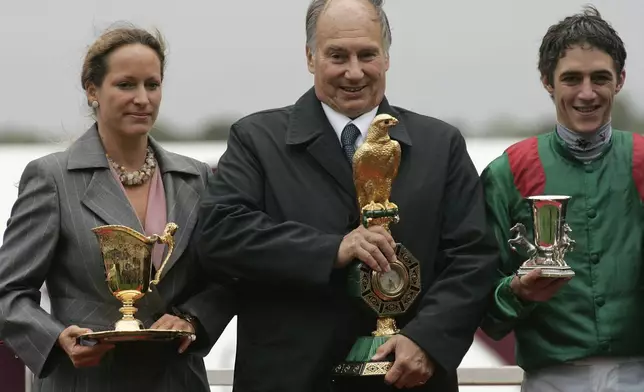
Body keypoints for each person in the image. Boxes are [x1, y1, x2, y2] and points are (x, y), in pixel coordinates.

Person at [196, 0, 498, 390]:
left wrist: (428, 340)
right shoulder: (256, 140)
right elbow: (220, 235)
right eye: (337, 55)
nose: (353, 72)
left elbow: (473, 259)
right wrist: (331, 249)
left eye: (367, 55)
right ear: (310, 57)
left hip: (407, 381)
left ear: (386, 57)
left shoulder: (442, 146)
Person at [0, 26, 235, 392]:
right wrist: (57, 339)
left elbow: (228, 275)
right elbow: (9, 292)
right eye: (126, 85)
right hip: (84, 382)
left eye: (152, 85)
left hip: (178, 380)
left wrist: (193, 318)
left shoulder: (198, 179)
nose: (142, 98)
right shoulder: (52, 179)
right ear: (92, 90)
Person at [479, 6, 644, 391]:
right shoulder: (508, 172)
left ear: (619, 80)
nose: (587, 93)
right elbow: (481, 302)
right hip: (550, 378)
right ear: (547, 82)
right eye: (572, 78)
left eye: (599, 78)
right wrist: (516, 292)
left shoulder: (642, 161)